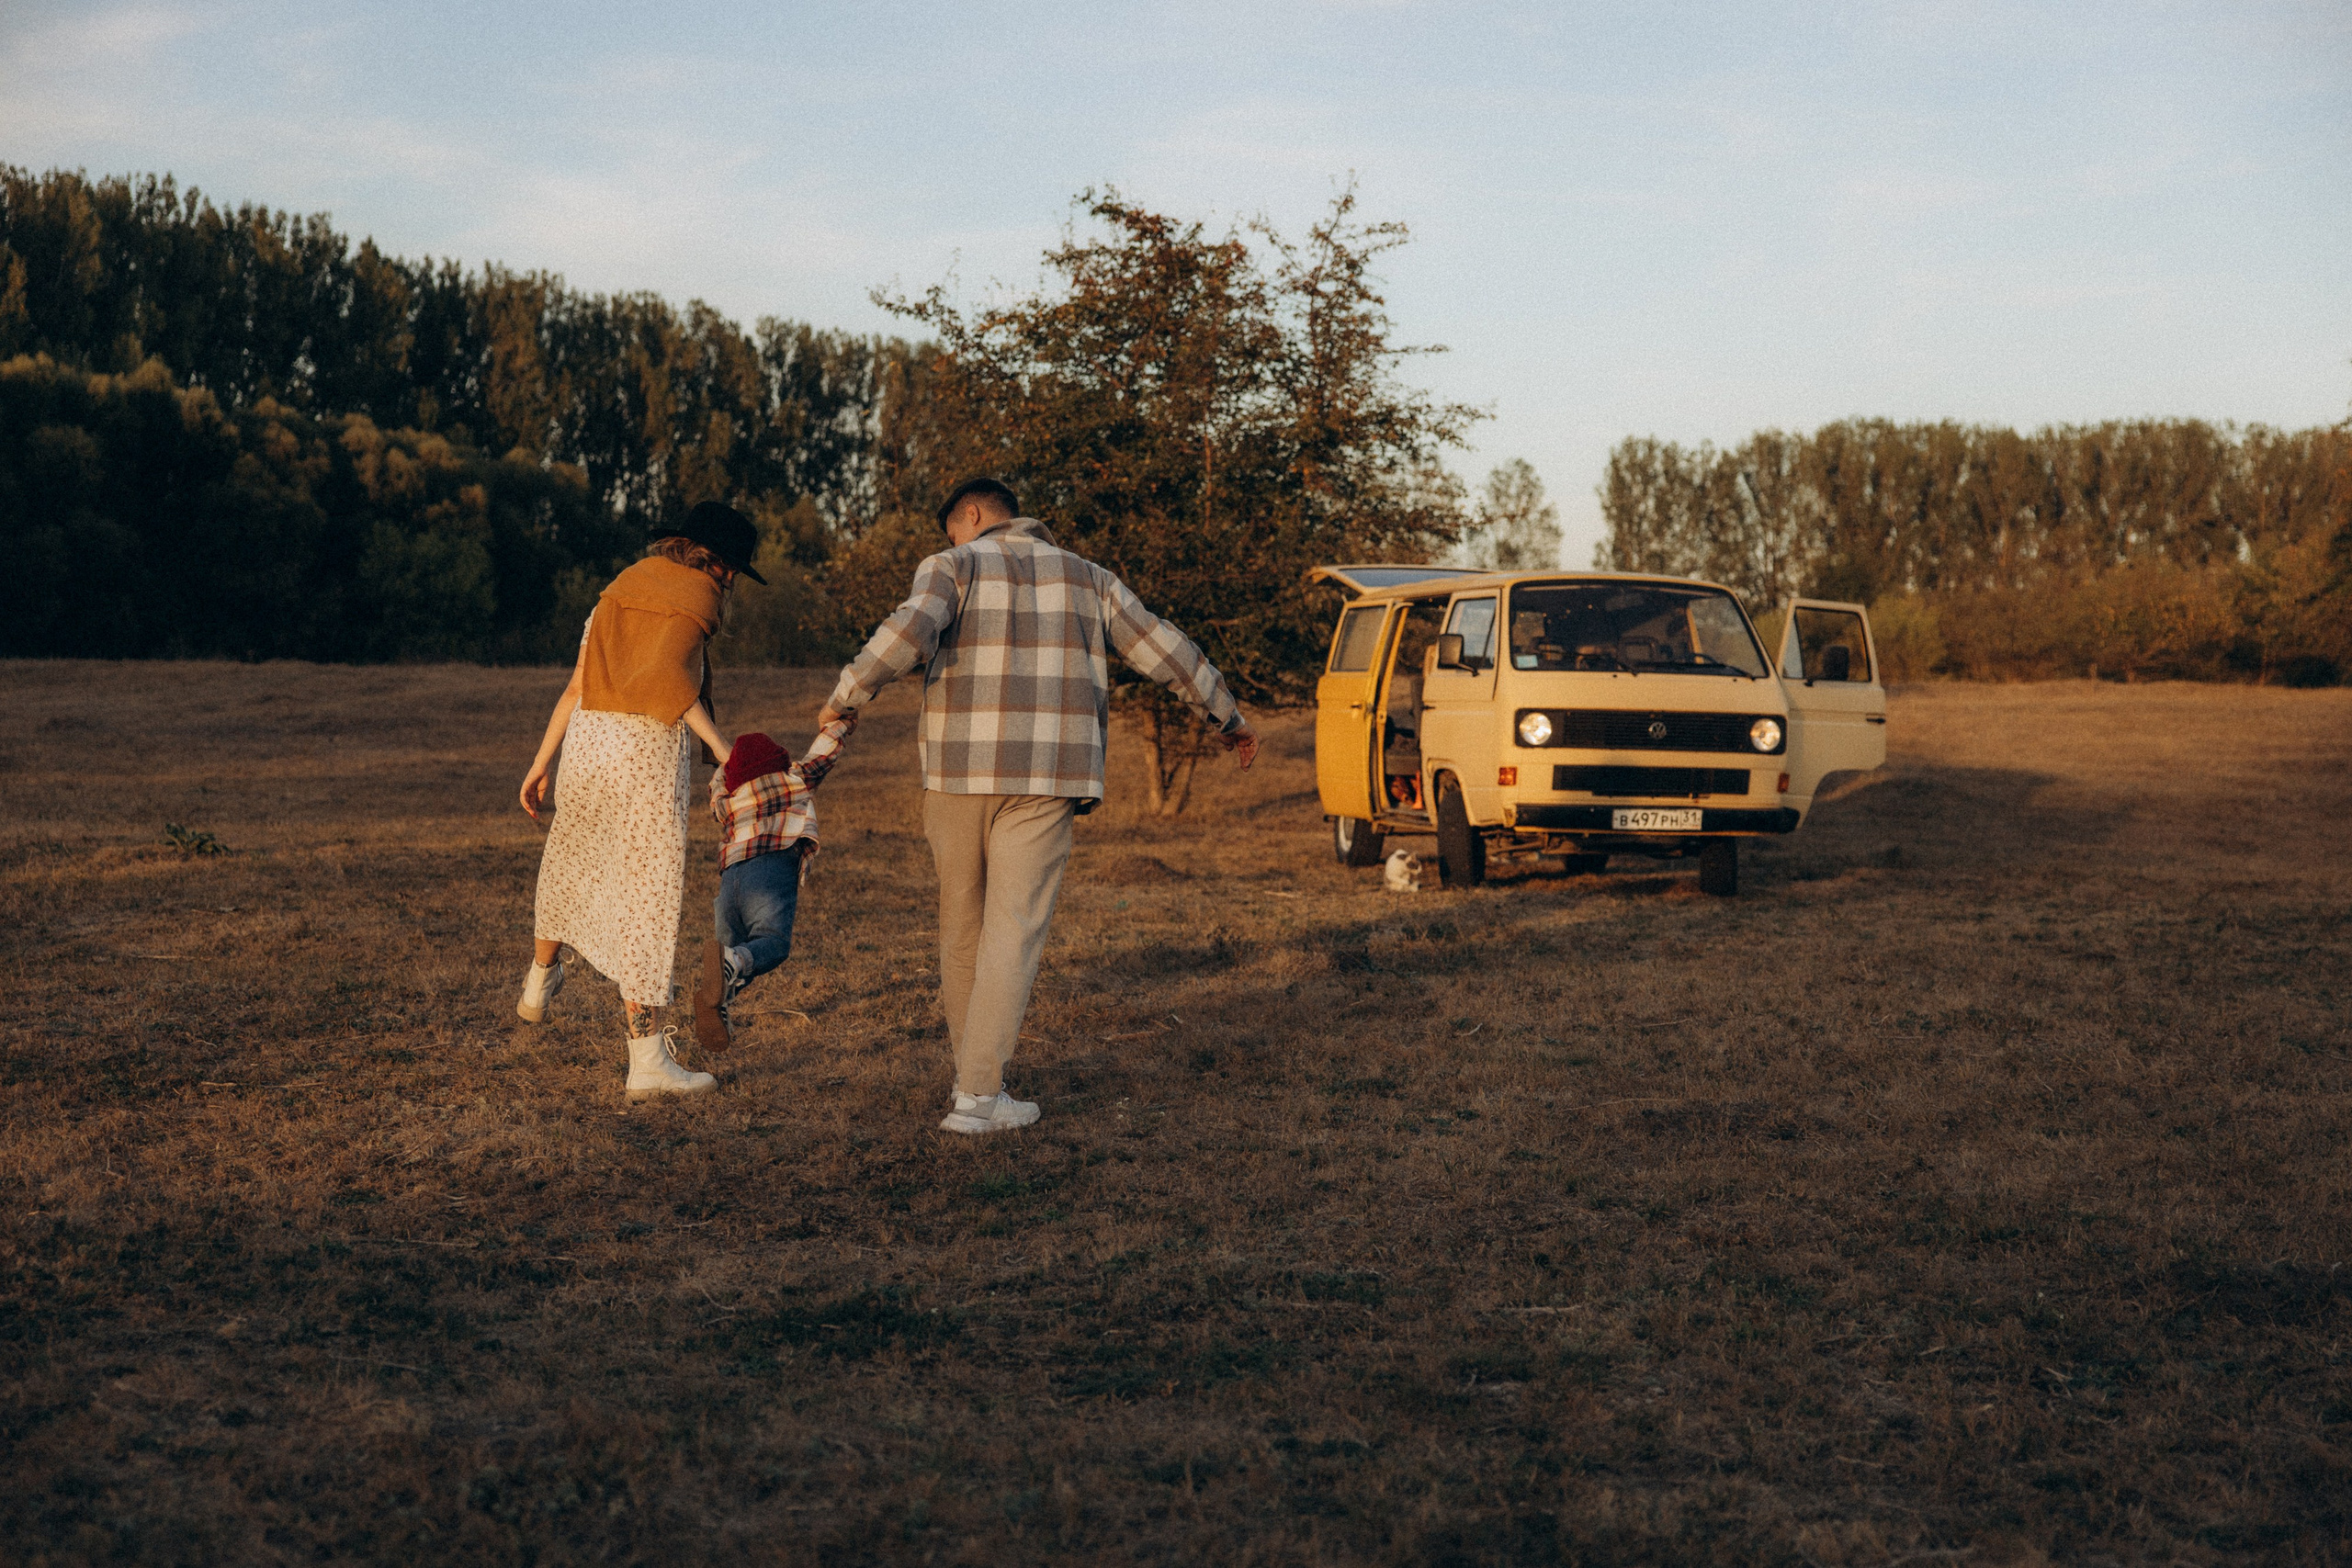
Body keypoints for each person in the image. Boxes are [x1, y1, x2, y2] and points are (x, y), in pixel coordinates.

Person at [819, 477, 1260, 1136]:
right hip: (1048, 773)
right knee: (1013, 929)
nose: (953, 538)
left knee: (961, 929)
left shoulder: (952, 565)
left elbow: (909, 632)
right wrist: (1225, 713)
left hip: (956, 771)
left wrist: (848, 695)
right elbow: (1163, 649)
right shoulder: (1090, 578)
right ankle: (978, 1093)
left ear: (970, 514)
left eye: (953, 527)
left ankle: (973, 1084)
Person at [516, 501, 765, 1100]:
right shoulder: (697, 595)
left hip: (589, 741)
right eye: (732, 571)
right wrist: (724, 750)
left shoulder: (619, 590)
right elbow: (665, 682)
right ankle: (647, 1059)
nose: (729, 583)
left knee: (571, 859)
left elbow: (579, 683)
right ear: (721, 565)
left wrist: (541, 760)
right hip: (644, 751)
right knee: (648, 896)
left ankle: (538, 979)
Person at [690, 714, 856, 1052]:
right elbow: (825, 753)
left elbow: (717, 785)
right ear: (779, 762)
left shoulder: (728, 801)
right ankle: (728, 967)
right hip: (768, 874)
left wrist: (725, 765)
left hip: (730, 886)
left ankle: (717, 1001)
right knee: (772, 943)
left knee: (735, 954)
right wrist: (843, 718)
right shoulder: (793, 779)